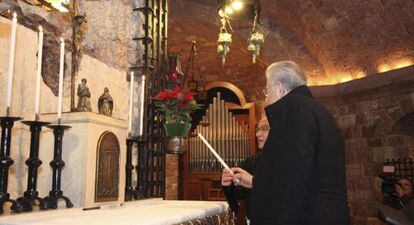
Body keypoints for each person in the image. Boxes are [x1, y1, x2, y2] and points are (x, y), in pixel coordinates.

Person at [229, 61, 350, 225]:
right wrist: (256, 182)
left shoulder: (292, 109)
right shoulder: (320, 112)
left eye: (267, 91)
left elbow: (293, 179)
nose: (266, 98)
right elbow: (298, 170)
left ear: (280, 88)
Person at [221, 116, 270, 223]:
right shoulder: (250, 161)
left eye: (265, 128)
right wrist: (227, 186)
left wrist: (254, 181)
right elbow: (236, 201)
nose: (257, 134)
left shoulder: (288, 162)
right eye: (258, 129)